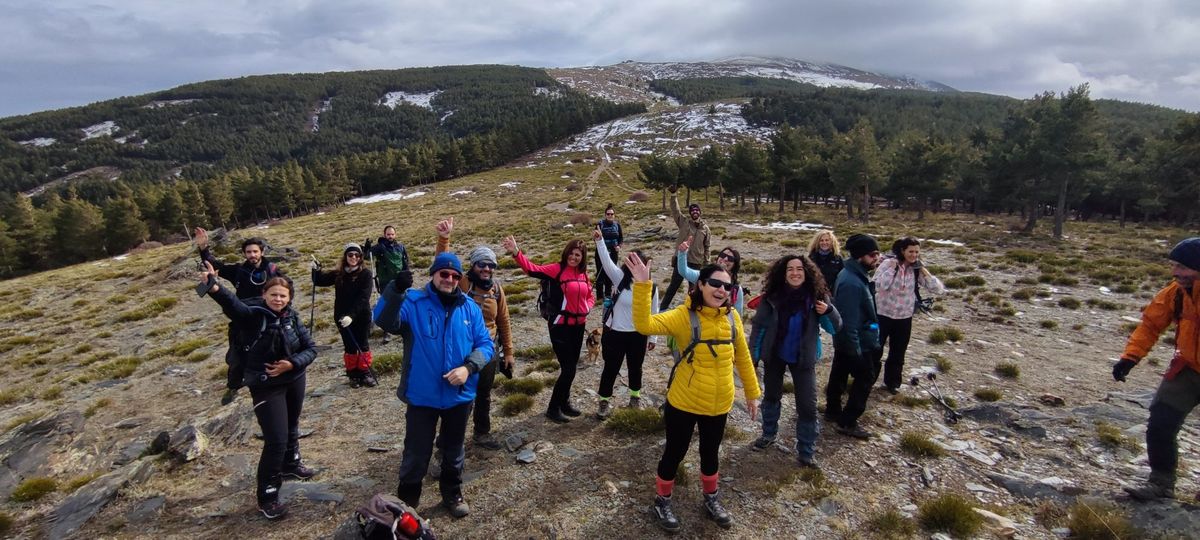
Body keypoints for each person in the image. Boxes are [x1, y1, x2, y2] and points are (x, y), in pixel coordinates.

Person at [628, 254, 760, 532]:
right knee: (674, 452)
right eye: (715, 283)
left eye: (727, 286)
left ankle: (711, 498)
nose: (721, 290)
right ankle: (662, 501)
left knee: (710, 454)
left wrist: (752, 392)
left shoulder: (733, 317)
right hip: (684, 402)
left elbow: (743, 357)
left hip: (720, 402)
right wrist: (643, 286)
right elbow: (644, 326)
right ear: (700, 285)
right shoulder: (682, 316)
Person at [373, 252, 494, 518]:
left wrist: (468, 367)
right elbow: (382, 319)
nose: (449, 279)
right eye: (443, 274)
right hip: (421, 395)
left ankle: (452, 492)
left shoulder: (469, 308)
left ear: (459, 278)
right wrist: (394, 289)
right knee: (416, 452)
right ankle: (408, 500)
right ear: (433, 274)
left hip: (459, 396)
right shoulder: (414, 302)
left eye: (454, 275)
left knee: (453, 449)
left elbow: (486, 345)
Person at [199, 263, 317, 520]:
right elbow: (233, 306)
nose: (278, 299)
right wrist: (215, 287)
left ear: (289, 299)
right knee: (275, 440)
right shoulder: (254, 316)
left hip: (294, 378)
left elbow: (311, 348)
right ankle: (268, 495)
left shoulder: (292, 317)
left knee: (291, 426)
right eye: (273, 294)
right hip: (266, 386)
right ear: (264, 295)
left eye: (283, 296)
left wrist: (292, 363)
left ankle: (291, 464)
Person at [1112, 237, 1200, 501]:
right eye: (1174, 266)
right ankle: (1161, 484)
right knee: (1161, 424)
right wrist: (1130, 357)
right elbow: (1151, 325)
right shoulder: (1176, 293)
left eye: (1182, 267)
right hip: (1187, 369)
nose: (1176, 272)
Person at [749, 255, 842, 468]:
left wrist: (829, 311)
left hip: (804, 358)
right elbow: (759, 328)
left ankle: (806, 450)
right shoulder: (771, 297)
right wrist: (753, 357)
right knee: (771, 396)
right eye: (790, 269)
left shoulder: (817, 297)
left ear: (806, 272)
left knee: (807, 406)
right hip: (774, 355)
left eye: (799, 269)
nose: (794, 273)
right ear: (783, 273)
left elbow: (834, 328)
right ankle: (768, 434)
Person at [435, 217, 514, 450]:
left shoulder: (497, 290)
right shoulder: (461, 283)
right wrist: (444, 238)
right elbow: (442, 265)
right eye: (482, 264)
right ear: (473, 266)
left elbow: (504, 321)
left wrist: (508, 353)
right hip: (461, 352)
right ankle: (446, 446)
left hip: (488, 350)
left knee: (484, 395)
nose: (487, 269)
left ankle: (482, 433)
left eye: (491, 265)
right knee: (458, 400)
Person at [501, 235, 594, 423]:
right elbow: (531, 269)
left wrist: (588, 307)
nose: (574, 257)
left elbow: (590, 295)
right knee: (568, 369)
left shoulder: (583, 274)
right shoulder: (556, 269)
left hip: (578, 326)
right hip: (559, 326)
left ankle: (565, 403)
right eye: (571, 253)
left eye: (578, 255)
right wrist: (516, 252)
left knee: (572, 367)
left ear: (582, 258)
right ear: (566, 253)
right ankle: (553, 408)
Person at [195, 227, 286, 405]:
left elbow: (287, 290)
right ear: (244, 253)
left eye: (255, 251)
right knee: (237, 355)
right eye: (248, 252)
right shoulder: (238, 270)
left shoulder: (273, 270)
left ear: (262, 252)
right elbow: (214, 264)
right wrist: (203, 248)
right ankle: (233, 386)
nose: (252, 255)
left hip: (267, 317)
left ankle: (276, 383)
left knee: (273, 350)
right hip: (242, 317)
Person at [592, 226, 658, 418]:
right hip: (615, 333)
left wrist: (653, 337)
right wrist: (600, 241)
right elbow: (605, 261)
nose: (635, 266)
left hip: (638, 334)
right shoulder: (619, 277)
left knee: (635, 367)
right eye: (632, 262)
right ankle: (604, 401)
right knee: (611, 368)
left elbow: (654, 311)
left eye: (639, 263)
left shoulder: (650, 287)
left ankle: (634, 397)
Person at [824, 234, 882, 440]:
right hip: (855, 341)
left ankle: (832, 410)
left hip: (850, 339)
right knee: (865, 376)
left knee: (839, 372)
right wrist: (856, 350)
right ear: (860, 257)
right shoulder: (851, 282)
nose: (877, 258)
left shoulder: (855, 274)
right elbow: (848, 321)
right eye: (873, 255)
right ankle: (847, 421)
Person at [872, 237, 944, 394]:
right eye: (911, 251)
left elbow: (937, 289)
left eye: (917, 252)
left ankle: (892, 383)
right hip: (882, 314)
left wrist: (923, 269)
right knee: (875, 349)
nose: (914, 255)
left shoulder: (916, 268)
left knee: (898, 352)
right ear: (902, 251)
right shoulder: (887, 264)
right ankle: (868, 380)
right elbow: (879, 285)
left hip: (904, 317)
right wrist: (893, 267)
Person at [312, 243, 376, 388]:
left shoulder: (365, 274)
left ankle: (365, 372)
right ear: (345, 256)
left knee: (363, 344)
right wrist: (316, 270)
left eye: (357, 255)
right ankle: (353, 374)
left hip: (361, 315)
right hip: (341, 316)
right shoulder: (338, 273)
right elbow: (318, 281)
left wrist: (351, 316)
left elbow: (363, 298)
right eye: (350, 255)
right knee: (349, 346)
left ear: (360, 257)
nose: (353, 257)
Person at [659, 185, 711, 311]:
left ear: (700, 212)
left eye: (696, 210)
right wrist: (673, 195)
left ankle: (692, 311)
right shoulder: (683, 222)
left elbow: (707, 247)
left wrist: (707, 263)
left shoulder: (706, 229)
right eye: (692, 210)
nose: (694, 212)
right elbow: (675, 210)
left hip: (696, 262)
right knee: (674, 286)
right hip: (681, 260)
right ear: (690, 213)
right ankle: (662, 309)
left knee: (693, 290)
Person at [676, 239, 746, 316]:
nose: (725, 259)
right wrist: (682, 253)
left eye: (730, 258)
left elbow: (738, 314)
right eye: (723, 255)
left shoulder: (736, 289)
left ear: (735, 265)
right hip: (697, 319)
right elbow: (684, 271)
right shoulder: (703, 275)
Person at [366, 225, 410, 294]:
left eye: (392, 234)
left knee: (402, 301)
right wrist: (367, 248)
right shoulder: (380, 247)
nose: (390, 236)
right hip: (385, 281)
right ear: (384, 235)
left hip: (399, 279)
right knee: (387, 302)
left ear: (395, 235)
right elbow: (368, 256)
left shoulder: (400, 247)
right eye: (388, 234)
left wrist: (407, 275)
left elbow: (405, 261)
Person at [595, 204, 624, 302]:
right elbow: (595, 238)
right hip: (601, 251)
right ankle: (599, 295)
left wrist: (619, 246)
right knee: (600, 271)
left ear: (614, 215)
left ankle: (608, 293)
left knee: (611, 270)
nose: (610, 216)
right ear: (605, 215)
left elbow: (621, 238)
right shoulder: (600, 224)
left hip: (613, 251)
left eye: (612, 214)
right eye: (608, 214)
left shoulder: (617, 225)